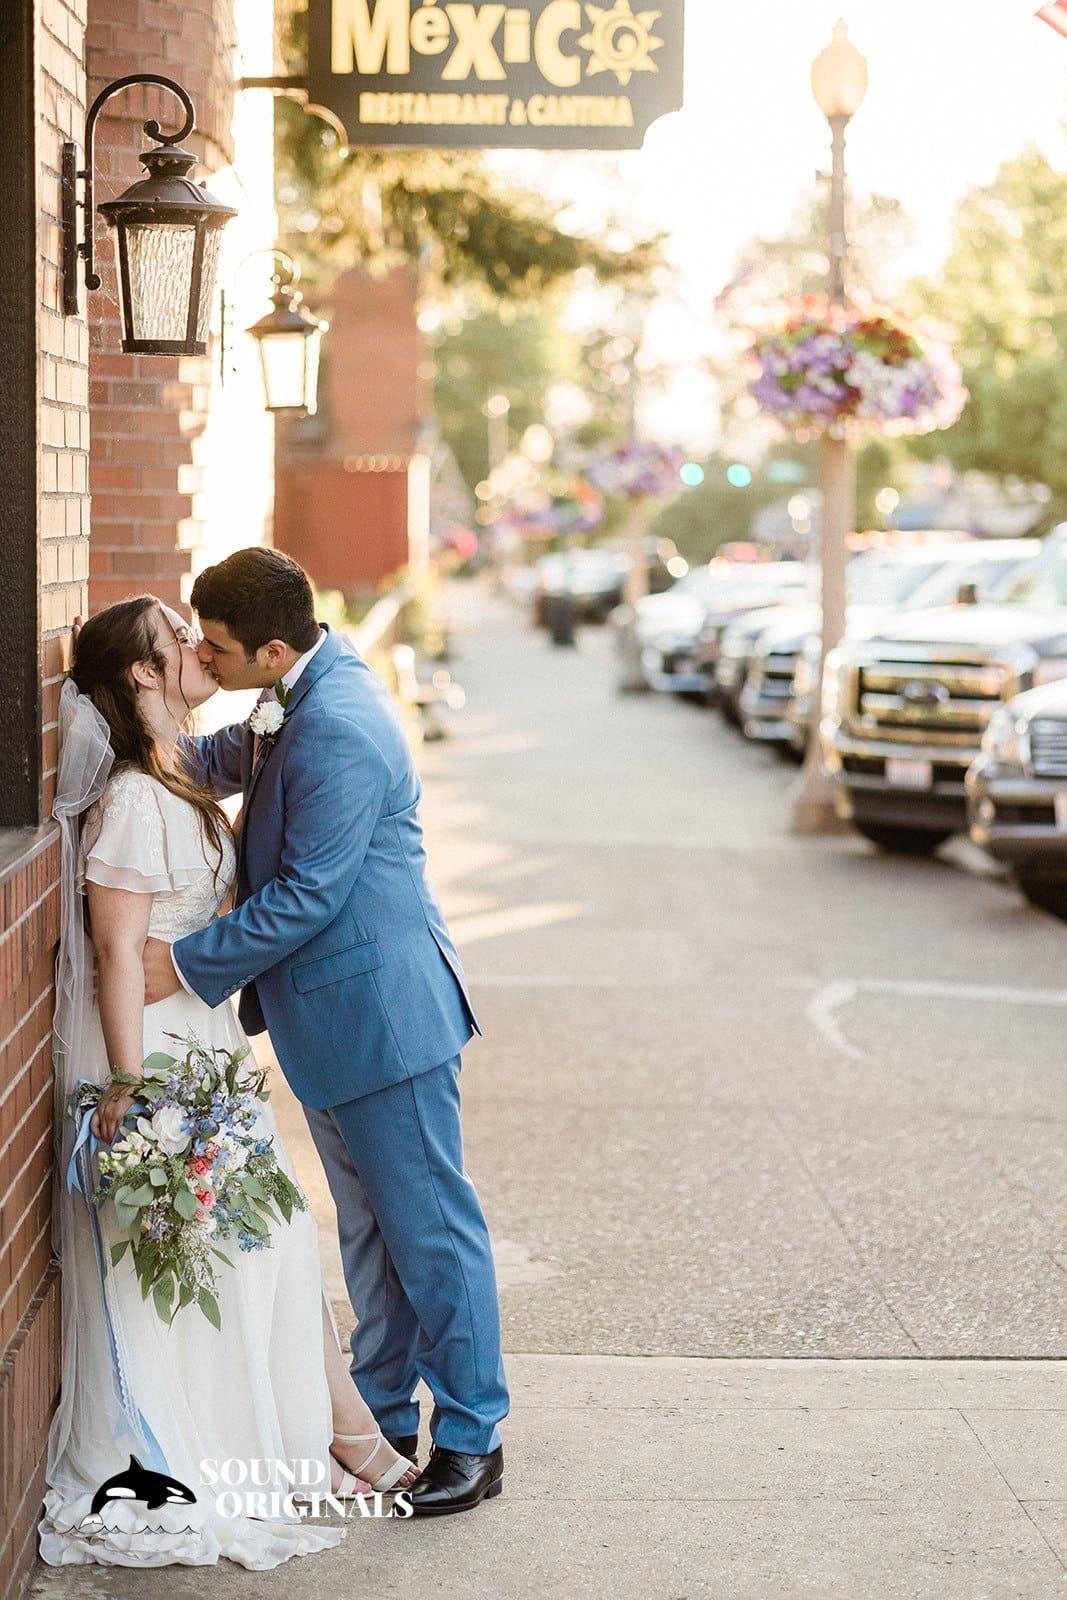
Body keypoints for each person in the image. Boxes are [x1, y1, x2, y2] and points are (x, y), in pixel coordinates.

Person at [42, 596, 416, 1571]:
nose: (199, 648)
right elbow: (118, 953)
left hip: (210, 1050)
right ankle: (337, 1443)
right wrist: (131, 1091)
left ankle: (339, 1437)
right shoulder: (129, 795)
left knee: (275, 1245)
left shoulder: (185, 769)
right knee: (252, 1247)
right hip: (159, 1056)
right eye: (179, 640)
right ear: (141, 673)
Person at [140, 547, 509, 1516]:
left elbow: (308, 893)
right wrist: (129, 710)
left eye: (215, 650)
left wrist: (179, 963)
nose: (206, 662)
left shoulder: (339, 723)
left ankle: (473, 1434)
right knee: (370, 1232)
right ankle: (382, 1411)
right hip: (332, 1024)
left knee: (429, 1231)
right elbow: (216, 760)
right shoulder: (289, 693)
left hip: (384, 1020)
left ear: (269, 647)